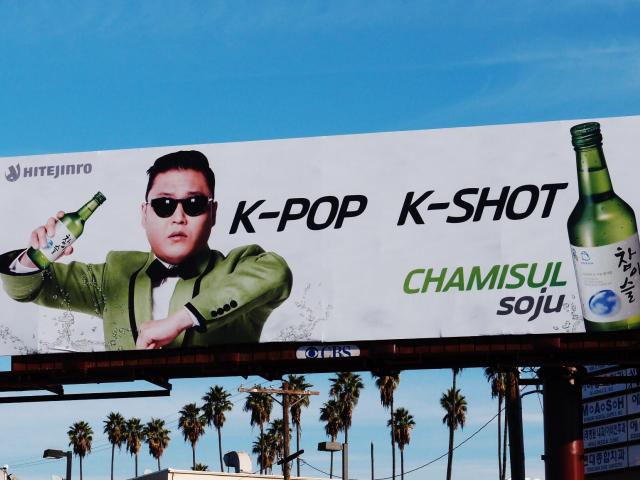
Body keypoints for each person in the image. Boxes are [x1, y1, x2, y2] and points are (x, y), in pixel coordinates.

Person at [0, 151, 292, 351]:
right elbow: (27, 290)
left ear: (212, 213)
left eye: (194, 204)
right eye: (164, 205)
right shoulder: (116, 272)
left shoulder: (235, 269)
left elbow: (276, 273)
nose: (178, 217)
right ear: (144, 214)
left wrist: (180, 320)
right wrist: (34, 257)